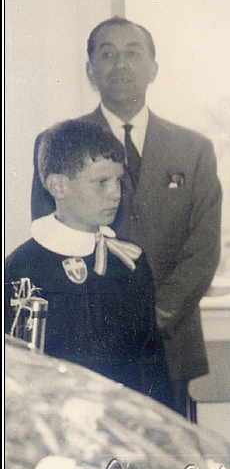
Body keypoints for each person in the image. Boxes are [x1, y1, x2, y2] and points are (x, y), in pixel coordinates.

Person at [30, 18, 221, 420]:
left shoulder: (194, 149)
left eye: (133, 52)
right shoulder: (59, 144)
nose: (121, 64)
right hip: (86, 344)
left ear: (153, 67)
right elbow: (52, 240)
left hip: (170, 345)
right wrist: (107, 322)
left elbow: (202, 252)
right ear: (90, 70)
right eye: (107, 53)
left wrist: (149, 319)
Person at [6, 120, 167, 401]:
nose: (115, 193)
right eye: (101, 182)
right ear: (58, 186)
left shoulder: (129, 264)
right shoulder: (21, 269)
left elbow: (152, 366)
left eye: (118, 180)